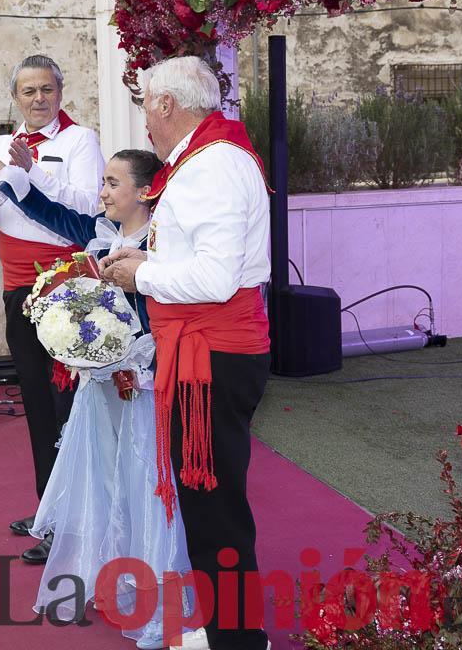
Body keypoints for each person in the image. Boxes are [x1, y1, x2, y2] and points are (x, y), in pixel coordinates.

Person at [101, 56, 273, 650]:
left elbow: (216, 278)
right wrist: (148, 261)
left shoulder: (211, 164)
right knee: (209, 506)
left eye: (146, 105)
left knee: (215, 510)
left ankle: (239, 640)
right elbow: (203, 261)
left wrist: (142, 274)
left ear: (167, 104)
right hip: (207, 350)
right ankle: (230, 630)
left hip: (212, 352)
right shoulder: (209, 157)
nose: (145, 119)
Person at [0, 143, 194, 649]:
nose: (102, 192)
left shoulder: (163, 246)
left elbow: (164, 315)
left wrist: (131, 351)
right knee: (104, 478)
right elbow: (49, 212)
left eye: (112, 183)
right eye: (102, 182)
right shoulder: (100, 233)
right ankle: (116, 572)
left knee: (143, 479)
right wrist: (4, 172)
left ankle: (156, 590)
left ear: (144, 192)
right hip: (99, 384)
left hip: (142, 384)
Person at [0, 55, 104, 564]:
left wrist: (27, 174)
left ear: (60, 92)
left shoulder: (80, 141)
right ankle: (50, 511)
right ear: (15, 98)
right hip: (17, 291)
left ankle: (76, 519)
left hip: (68, 290)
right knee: (37, 405)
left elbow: (85, 206)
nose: (38, 99)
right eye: (28, 91)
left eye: (46, 89)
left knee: (69, 405)